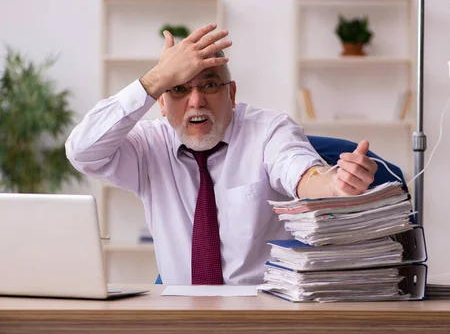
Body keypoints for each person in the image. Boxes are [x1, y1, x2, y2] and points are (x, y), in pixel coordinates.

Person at [65, 23, 378, 285]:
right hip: (179, 322)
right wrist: (157, 78)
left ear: (231, 93)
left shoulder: (268, 130)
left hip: (263, 317)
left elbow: (301, 171)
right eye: (178, 89)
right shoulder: (149, 146)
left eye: (210, 85)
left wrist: (335, 184)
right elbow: (82, 151)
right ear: (161, 103)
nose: (196, 101)